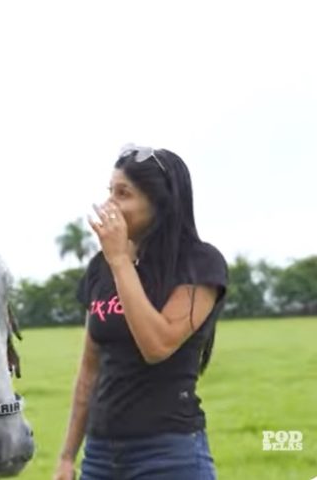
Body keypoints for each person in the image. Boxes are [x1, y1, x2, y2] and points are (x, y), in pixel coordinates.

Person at [54, 144, 228, 480]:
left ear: (160, 203)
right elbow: (89, 371)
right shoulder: (100, 268)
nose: (109, 206)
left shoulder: (199, 263)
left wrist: (120, 261)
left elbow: (157, 345)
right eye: (110, 192)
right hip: (101, 457)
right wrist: (66, 457)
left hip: (168, 455)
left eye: (123, 194)